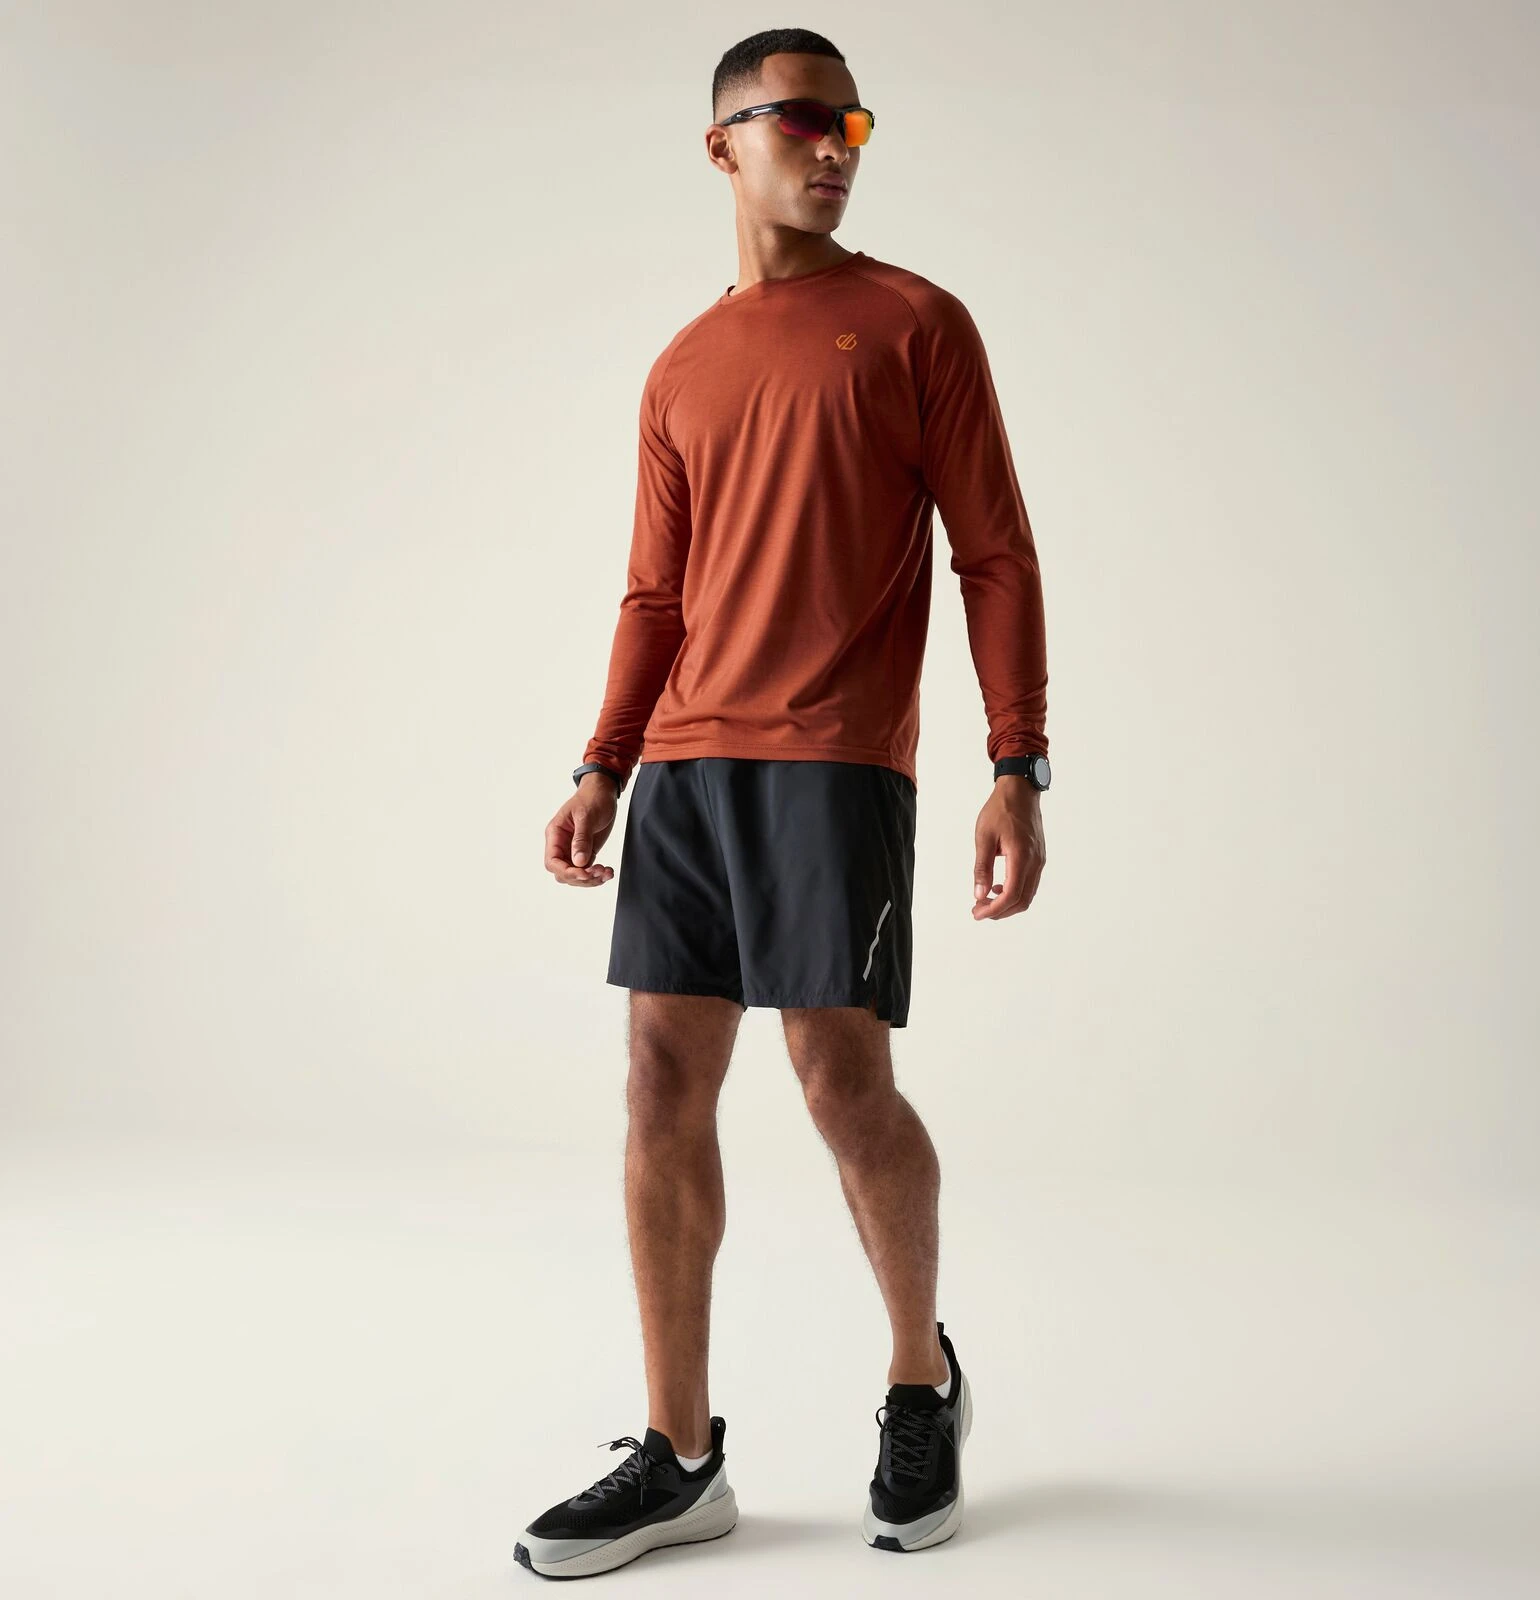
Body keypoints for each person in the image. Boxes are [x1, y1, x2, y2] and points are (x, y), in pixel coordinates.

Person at [517, 26, 1050, 1580]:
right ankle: (681, 1456)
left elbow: (994, 552)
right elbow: (655, 592)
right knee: (657, 1086)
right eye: (803, 120)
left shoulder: (915, 324)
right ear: (723, 144)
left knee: (839, 1082)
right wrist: (604, 762)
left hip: (836, 762)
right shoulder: (683, 364)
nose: (835, 147)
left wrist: (1016, 763)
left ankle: (919, 1385)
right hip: (688, 768)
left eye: (853, 124)